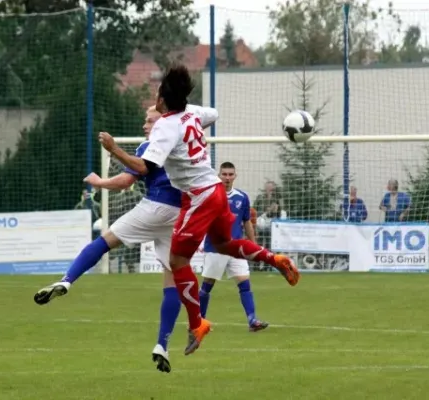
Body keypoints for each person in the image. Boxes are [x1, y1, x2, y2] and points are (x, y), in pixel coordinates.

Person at [99, 64, 299, 356]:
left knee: (177, 262)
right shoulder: (192, 114)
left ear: (162, 100)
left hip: (199, 198)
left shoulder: (165, 126)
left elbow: (144, 166)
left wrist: (114, 149)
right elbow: (214, 113)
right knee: (224, 243)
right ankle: (275, 259)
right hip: (216, 190)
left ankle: (197, 324)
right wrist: (183, 106)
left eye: (158, 93)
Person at [34, 106, 182, 373]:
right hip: (180, 215)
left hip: (156, 207)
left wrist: (99, 181)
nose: (144, 125)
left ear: (163, 123)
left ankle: (67, 280)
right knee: (171, 277)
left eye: (149, 120)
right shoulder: (183, 144)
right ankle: (162, 344)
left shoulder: (151, 146)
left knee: (104, 242)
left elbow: (125, 181)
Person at [199, 162, 269, 332]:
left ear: (235, 176)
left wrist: (253, 245)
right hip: (216, 248)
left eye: (231, 174)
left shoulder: (242, 197)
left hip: (236, 248)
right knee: (208, 284)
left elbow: (246, 221)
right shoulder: (210, 196)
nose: (227, 178)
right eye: (224, 174)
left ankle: (252, 320)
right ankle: (198, 321)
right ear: (219, 175)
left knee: (244, 283)